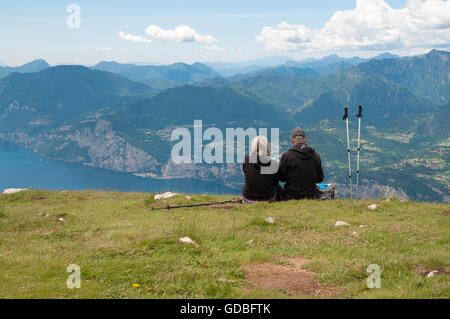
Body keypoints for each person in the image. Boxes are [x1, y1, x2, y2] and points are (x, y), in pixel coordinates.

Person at [278, 127, 324, 200]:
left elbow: (281, 178)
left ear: (292, 140)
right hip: (310, 196)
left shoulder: (287, 156)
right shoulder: (316, 156)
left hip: (290, 195)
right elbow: (320, 179)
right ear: (305, 140)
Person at [241, 136, 282, 203]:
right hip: (268, 199)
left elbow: (245, 173)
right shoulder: (272, 164)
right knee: (278, 188)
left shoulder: (246, 160)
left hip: (248, 198)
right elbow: (275, 182)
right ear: (266, 148)